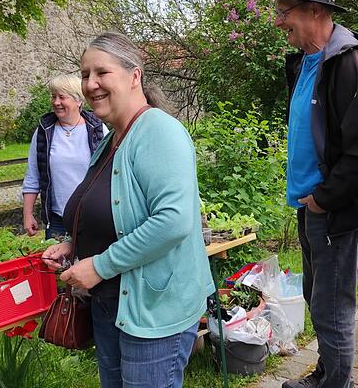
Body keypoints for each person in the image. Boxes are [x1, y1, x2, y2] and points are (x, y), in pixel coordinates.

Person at [42, 32, 214, 388]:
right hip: (113, 307)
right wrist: (76, 246)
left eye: (102, 73)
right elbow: (115, 212)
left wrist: (100, 265)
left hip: (153, 313)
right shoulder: (111, 139)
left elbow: (173, 222)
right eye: (85, 73)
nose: (91, 84)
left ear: (134, 76)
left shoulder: (160, 132)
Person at [262, 0, 358, 388]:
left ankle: (337, 383)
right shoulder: (305, 62)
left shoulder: (349, 62)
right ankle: (327, 375)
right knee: (318, 303)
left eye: (285, 11)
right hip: (310, 206)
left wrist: (325, 198)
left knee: (333, 309)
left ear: (315, 11)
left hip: (333, 211)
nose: (279, 21)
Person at [22, 74, 107, 239]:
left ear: (78, 101)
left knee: (89, 264)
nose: (56, 102)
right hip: (57, 221)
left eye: (62, 97)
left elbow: (112, 172)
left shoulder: (97, 130)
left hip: (92, 217)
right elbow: (33, 177)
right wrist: (27, 214)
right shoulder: (44, 133)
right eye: (53, 97)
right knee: (57, 265)